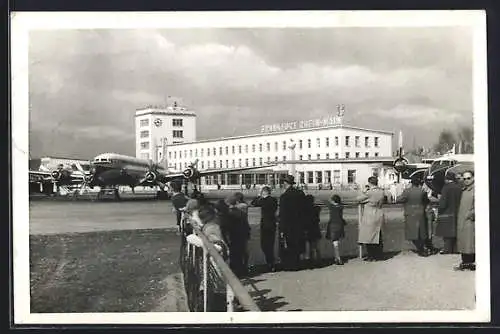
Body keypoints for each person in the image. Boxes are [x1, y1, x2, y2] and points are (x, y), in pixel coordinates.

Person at [396, 176, 431, 257]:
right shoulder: (422, 191)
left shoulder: (407, 191)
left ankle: (420, 249)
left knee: (412, 232)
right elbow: (426, 201)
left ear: (411, 183)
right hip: (420, 212)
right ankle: (422, 248)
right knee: (420, 232)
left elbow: (399, 199)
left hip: (410, 213)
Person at [278, 175, 306, 270]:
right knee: (297, 243)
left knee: (288, 244)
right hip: (299, 223)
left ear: (285, 183)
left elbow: (282, 213)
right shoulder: (300, 194)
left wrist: (281, 228)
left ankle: (290, 265)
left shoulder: (284, 196)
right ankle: (297, 263)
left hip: (288, 224)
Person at [356, 176, 386, 261]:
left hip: (369, 215)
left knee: (368, 237)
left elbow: (358, 199)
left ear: (370, 183)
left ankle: (371, 256)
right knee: (377, 236)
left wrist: (363, 191)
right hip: (379, 213)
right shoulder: (381, 191)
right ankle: (378, 255)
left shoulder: (369, 192)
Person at [251, 186, 278, 271]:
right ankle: (271, 262)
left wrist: (259, 195)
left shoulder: (262, 201)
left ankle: (270, 262)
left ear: (264, 192)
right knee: (271, 243)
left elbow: (253, 203)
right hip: (272, 223)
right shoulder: (274, 200)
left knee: (264, 244)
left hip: (265, 224)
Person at [435, 172, 463, 254]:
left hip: (447, 213)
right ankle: (456, 249)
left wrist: (439, 210)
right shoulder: (459, 187)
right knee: (456, 232)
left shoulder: (446, 188)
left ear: (446, 179)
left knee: (447, 233)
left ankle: (447, 249)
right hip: (457, 211)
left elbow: (443, 203)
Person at [225, 195, 251, 277]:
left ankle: (236, 270)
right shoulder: (241, 212)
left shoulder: (229, 213)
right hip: (242, 233)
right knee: (242, 252)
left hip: (233, 235)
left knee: (234, 254)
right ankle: (243, 269)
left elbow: (228, 226)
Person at [454, 170, 475, 271]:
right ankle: (465, 262)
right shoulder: (464, 190)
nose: (466, 180)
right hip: (462, 221)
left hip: (470, 221)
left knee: (469, 243)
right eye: (465, 178)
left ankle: (470, 263)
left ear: (473, 178)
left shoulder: (475, 190)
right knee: (463, 242)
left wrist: (470, 214)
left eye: (469, 178)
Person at [325, 194, 346, 265]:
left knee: (335, 242)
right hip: (340, 225)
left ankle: (337, 257)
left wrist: (330, 201)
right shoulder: (341, 207)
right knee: (337, 241)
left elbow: (327, 201)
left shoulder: (332, 206)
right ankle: (337, 257)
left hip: (333, 225)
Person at [303, 194, 322, 265]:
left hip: (309, 228)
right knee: (316, 245)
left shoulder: (305, 210)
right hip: (315, 227)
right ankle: (318, 259)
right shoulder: (316, 208)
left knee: (310, 245)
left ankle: (311, 259)